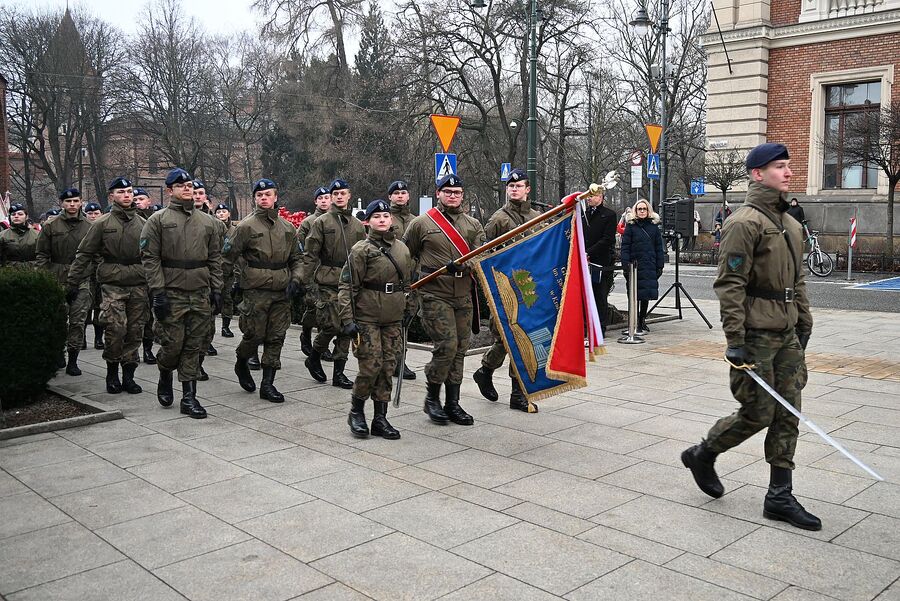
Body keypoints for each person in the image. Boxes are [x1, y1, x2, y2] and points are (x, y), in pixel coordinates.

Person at [681, 142, 820, 531]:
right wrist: (734, 338)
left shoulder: (791, 223)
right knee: (759, 411)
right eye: (779, 167)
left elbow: (798, 281)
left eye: (789, 166)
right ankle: (704, 453)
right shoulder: (743, 223)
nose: (788, 172)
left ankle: (779, 495)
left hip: (787, 333)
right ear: (757, 174)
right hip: (755, 335)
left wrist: (804, 322)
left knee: (788, 412)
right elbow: (730, 285)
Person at [140, 168, 224, 419]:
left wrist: (217, 289)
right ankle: (165, 372)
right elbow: (150, 258)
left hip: (199, 291)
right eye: (180, 185)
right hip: (172, 291)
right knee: (173, 344)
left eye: (188, 185)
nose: (186, 188)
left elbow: (215, 259)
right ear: (170, 191)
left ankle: (189, 397)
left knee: (194, 346)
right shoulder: (158, 220)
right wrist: (158, 292)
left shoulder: (208, 222)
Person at [403, 174, 486, 425]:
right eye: (447, 191)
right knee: (446, 346)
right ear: (438, 193)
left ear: (463, 195)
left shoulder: (473, 224)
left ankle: (453, 403)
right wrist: (406, 290)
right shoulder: (421, 223)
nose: (452, 196)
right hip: (434, 294)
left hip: (463, 294)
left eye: (457, 192)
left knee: (460, 349)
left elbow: (481, 254)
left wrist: (465, 263)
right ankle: (432, 397)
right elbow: (406, 254)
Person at [339, 199, 415, 438]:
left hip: (393, 318)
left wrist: (409, 308)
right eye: (376, 217)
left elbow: (408, 284)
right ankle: (357, 412)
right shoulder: (361, 250)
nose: (382, 220)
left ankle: (380, 419)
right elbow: (346, 287)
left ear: (391, 219)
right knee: (370, 366)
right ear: (367, 221)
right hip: (367, 317)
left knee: (387, 367)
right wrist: (348, 319)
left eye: (385, 216)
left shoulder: (402, 249)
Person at [68, 177, 149, 395]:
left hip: (139, 283)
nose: (126, 195)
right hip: (112, 283)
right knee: (116, 328)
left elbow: (153, 255)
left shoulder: (144, 223)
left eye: (129, 191)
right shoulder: (102, 223)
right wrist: (72, 281)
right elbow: (84, 253)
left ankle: (129, 375)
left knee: (135, 331)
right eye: (121, 192)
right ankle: (112, 372)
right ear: (111, 195)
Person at [227, 179, 303, 402]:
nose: (264, 198)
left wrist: (296, 280)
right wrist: (233, 283)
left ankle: (268, 384)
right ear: (254, 199)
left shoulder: (288, 228)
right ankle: (242, 362)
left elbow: (297, 258)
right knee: (254, 335)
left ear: (275, 197)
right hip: (255, 290)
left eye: (268, 194)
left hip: (281, 291)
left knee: (276, 337)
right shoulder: (245, 227)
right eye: (259, 195)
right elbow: (228, 256)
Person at [472, 169, 540, 413]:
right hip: (504, 286)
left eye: (518, 185)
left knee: (519, 338)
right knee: (508, 337)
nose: (514, 189)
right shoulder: (498, 219)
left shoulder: (536, 216)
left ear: (527, 189)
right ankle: (489, 372)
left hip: (528, 286)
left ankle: (513, 391)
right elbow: (484, 253)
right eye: (510, 186)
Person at [301, 178, 366, 388]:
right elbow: (310, 254)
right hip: (328, 279)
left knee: (347, 326)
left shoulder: (357, 225)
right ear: (331, 197)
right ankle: (314, 355)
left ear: (349, 196)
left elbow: (364, 254)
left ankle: (339, 372)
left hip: (350, 281)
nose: (339, 197)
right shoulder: (322, 222)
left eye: (342, 193)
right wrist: (304, 281)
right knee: (331, 325)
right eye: (335, 194)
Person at [36, 187, 93, 374]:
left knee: (78, 321)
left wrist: (86, 274)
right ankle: (58, 353)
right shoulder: (51, 226)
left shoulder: (89, 226)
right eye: (68, 201)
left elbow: (95, 254)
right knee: (59, 319)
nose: (72, 204)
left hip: (82, 279)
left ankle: (73, 359)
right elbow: (42, 254)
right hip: (57, 277)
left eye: (76, 201)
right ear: (62, 203)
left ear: (81, 202)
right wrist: (45, 277)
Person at [193, 179, 226, 377]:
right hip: (184, 280)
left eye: (201, 193)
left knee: (207, 330)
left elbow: (219, 254)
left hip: (207, 279)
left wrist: (218, 286)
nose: (197, 196)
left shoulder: (215, 223)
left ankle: (198, 362)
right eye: (194, 192)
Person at [619, 198, 664, 335]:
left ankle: (642, 320)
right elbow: (625, 247)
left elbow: (659, 248)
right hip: (634, 265)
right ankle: (633, 322)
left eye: (644, 209)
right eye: (640, 209)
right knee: (634, 295)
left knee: (645, 295)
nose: (642, 211)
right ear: (635, 211)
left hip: (649, 265)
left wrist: (659, 265)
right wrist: (625, 264)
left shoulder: (654, 227)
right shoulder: (631, 227)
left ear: (648, 210)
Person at [387, 180, 417, 381]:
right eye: (395, 193)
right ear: (390, 197)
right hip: (391, 278)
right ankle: (395, 361)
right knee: (393, 320)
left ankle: (400, 359)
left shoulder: (417, 220)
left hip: (412, 279)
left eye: (403, 192)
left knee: (406, 320)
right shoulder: (384, 218)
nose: (400, 196)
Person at [297, 186, 331, 357]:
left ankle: (322, 345)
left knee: (326, 309)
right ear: (316, 201)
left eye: (327, 197)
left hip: (329, 272)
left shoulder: (335, 220)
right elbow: (299, 246)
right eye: (321, 198)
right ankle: (306, 334)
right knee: (312, 307)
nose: (324, 201)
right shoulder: (308, 222)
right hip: (312, 270)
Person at [582, 186, 617, 336]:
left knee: (600, 295)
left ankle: (600, 328)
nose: (589, 198)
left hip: (601, 261)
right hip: (584, 260)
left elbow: (607, 239)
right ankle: (585, 327)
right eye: (588, 196)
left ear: (601, 197)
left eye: (593, 196)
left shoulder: (609, 215)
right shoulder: (583, 215)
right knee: (584, 296)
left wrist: (588, 252)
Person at [83, 202, 105, 350]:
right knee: (85, 308)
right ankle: (82, 338)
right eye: (90, 213)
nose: (93, 216)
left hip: (101, 273)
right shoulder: (82, 230)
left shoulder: (104, 228)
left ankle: (98, 339)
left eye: (96, 213)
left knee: (99, 306)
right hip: (86, 273)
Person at [215, 203, 238, 338]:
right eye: (218, 212)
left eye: (224, 211)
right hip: (215, 272)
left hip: (230, 272)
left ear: (229, 214)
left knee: (228, 299)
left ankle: (225, 326)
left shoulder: (235, 230)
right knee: (212, 302)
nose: (221, 214)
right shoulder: (212, 228)